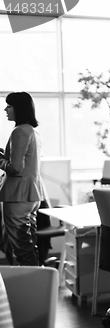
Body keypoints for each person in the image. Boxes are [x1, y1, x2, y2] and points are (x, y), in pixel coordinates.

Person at [0, 92, 45, 266]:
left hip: (17, 196)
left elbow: (14, 168)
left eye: (9, 106)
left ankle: (30, 288)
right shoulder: (32, 131)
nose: (5, 109)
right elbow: (23, 163)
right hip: (31, 195)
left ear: (19, 108)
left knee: (22, 248)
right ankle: (38, 284)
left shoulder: (19, 131)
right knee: (29, 244)